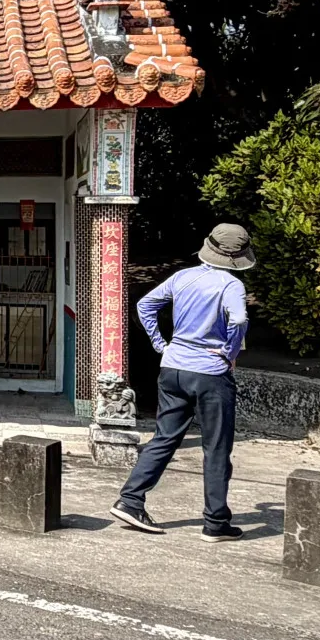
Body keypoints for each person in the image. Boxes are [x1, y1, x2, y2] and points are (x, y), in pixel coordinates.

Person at [110, 222, 256, 542]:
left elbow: (145, 305)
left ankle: (130, 500)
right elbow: (239, 319)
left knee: (164, 437)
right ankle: (215, 522)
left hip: (172, 368)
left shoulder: (182, 277)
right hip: (210, 374)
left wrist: (160, 344)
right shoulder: (231, 285)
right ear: (239, 257)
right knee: (216, 447)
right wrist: (230, 352)